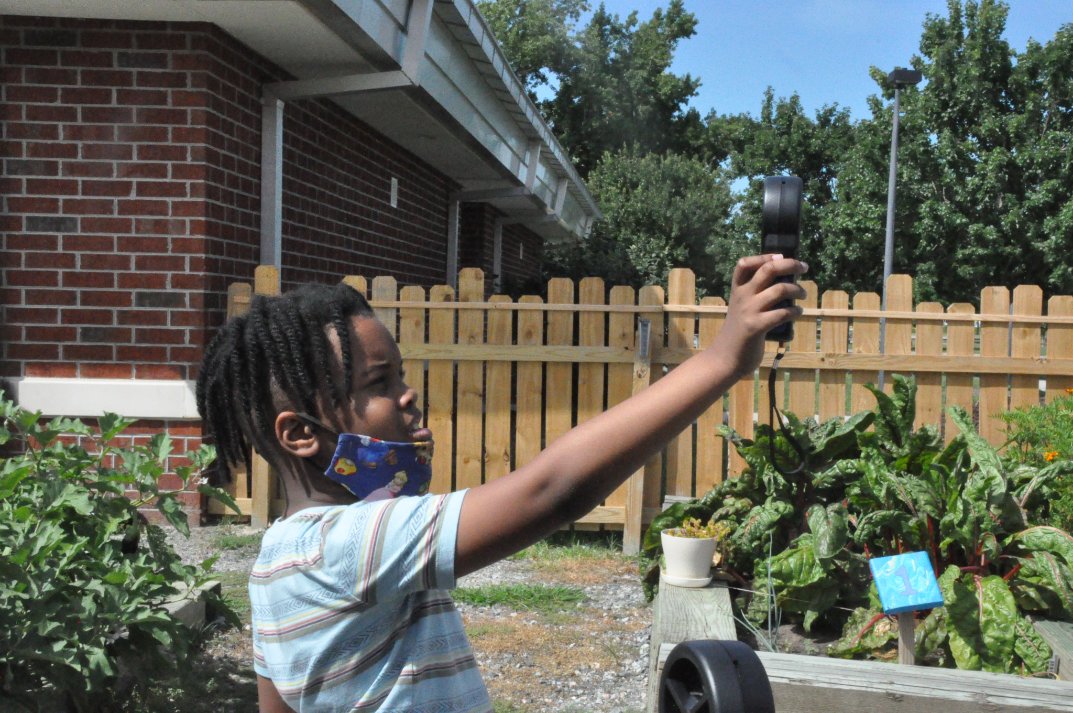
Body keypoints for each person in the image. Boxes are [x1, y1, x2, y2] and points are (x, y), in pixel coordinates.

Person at [195, 254, 807, 712]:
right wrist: (722, 357)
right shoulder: (349, 545)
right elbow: (552, 490)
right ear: (301, 434)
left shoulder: (277, 562)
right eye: (379, 384)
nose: (408, 395)